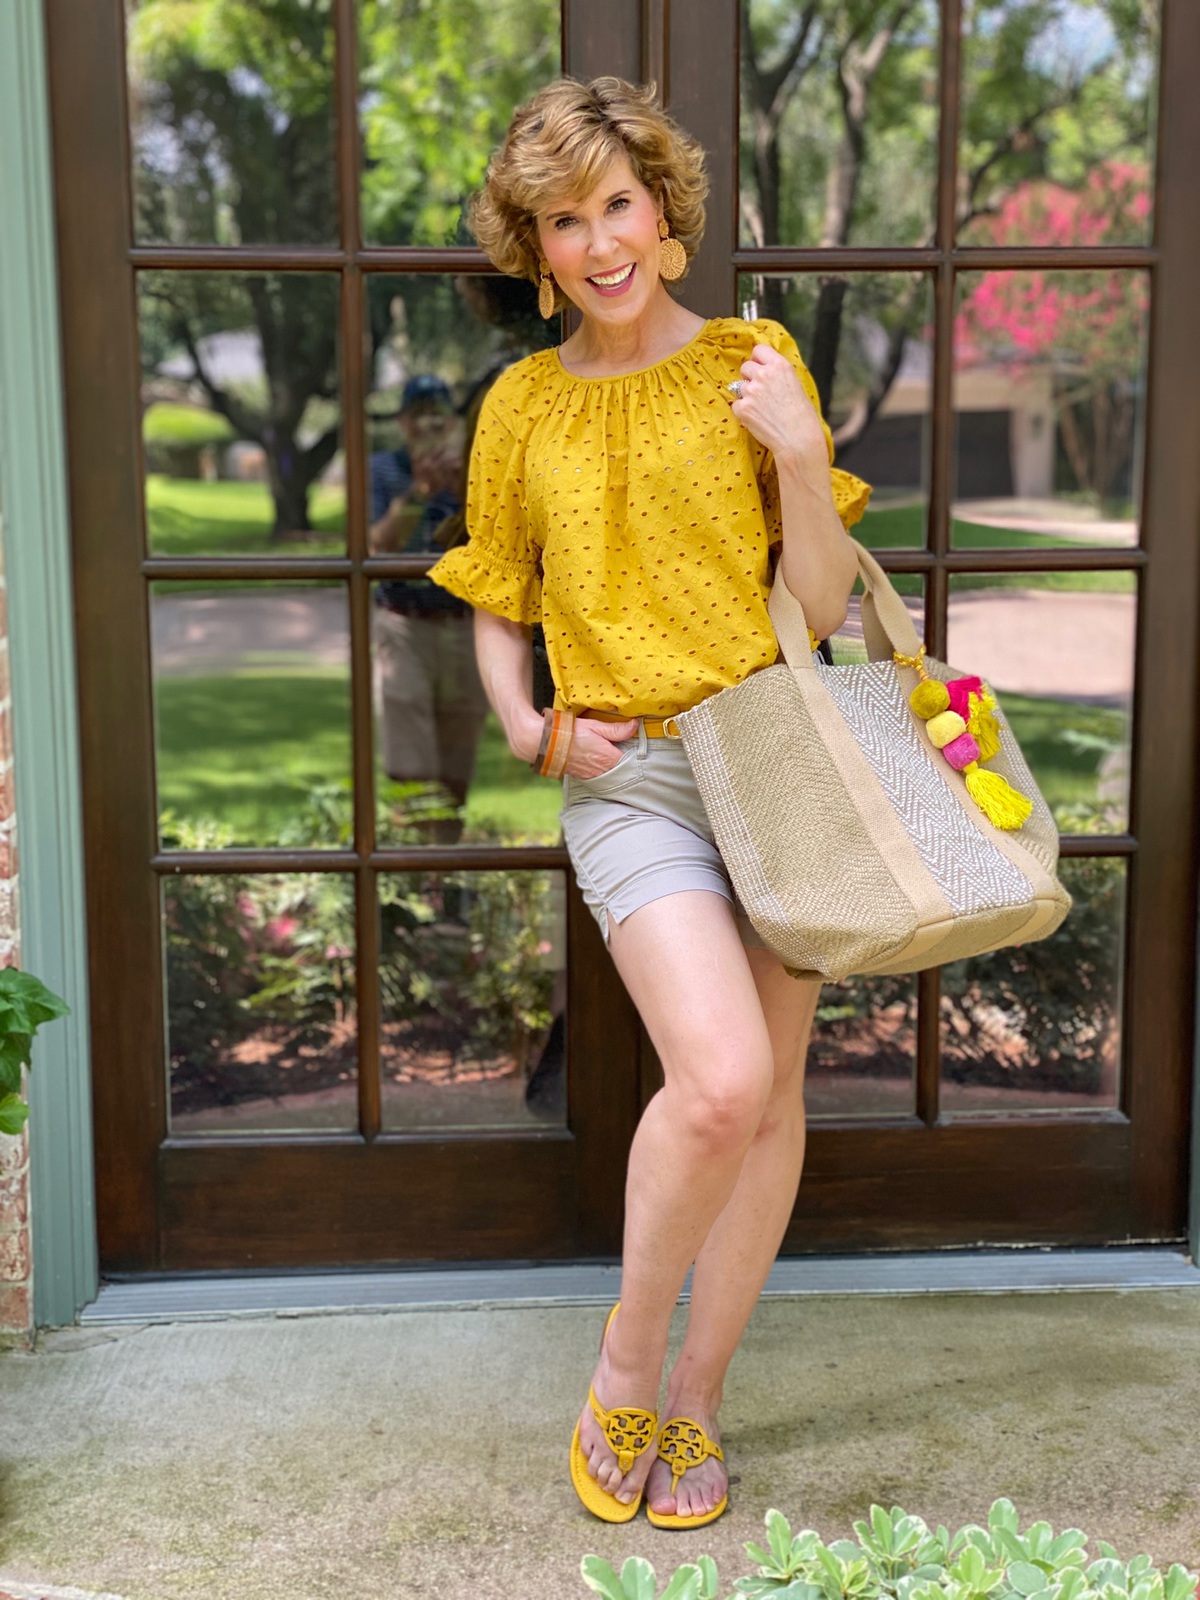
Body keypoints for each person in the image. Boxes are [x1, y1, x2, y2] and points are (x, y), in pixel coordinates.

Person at [429, 77, 871, 1530]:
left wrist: (799, 454)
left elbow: (813, 599)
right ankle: (626, 1365)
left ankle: (696, 1405)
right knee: (723, 1080)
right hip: (633, 779)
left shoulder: (754, 361)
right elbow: (497, 597)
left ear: (663, 214)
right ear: (536, 244)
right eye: (565, 218)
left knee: (774, 1097)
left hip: (778, 756)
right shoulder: (520, 407)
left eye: (617, 203)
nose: (598, 240)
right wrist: (532, 726)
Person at [369, 373, 487, 833]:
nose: (429, 424)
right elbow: (375, 546)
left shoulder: (476, 468)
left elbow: (495, 542)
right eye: (418, 415)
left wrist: (461, 488)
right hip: (404, 624)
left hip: (462, 622)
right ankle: (415, 872)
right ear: (403, 423)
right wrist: (418, 492)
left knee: (457, 762)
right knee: (410, 763)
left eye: (438, 413)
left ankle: (446, 870)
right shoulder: (382, 470)